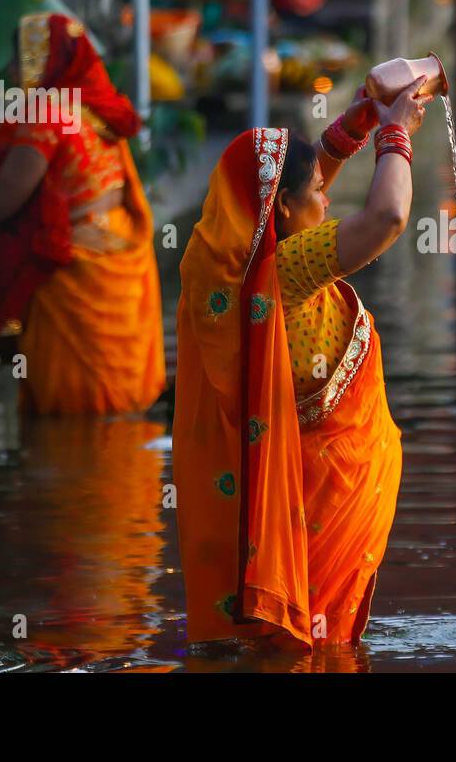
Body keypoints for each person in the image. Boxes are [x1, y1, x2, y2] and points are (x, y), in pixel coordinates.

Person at [173, 78, 431, 648]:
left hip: (299, 497)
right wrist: (397, 134)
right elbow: (388, 216)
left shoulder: (221, 264)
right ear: (284, 209)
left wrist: (346, 136)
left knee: (298, 645)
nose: (328, 198)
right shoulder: (288, 270)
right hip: (324, 498)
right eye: (319, 189)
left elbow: (292, 200)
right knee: (321, 649)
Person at [0, 12, 165, 415]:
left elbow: (3, 203)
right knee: (109, 414)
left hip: (75, 262)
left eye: (17, 61)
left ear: (37, 61)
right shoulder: (94, 107)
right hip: (114, 248)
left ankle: (68, 463)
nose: (12, 72)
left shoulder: (48, 111)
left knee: (67, 412)